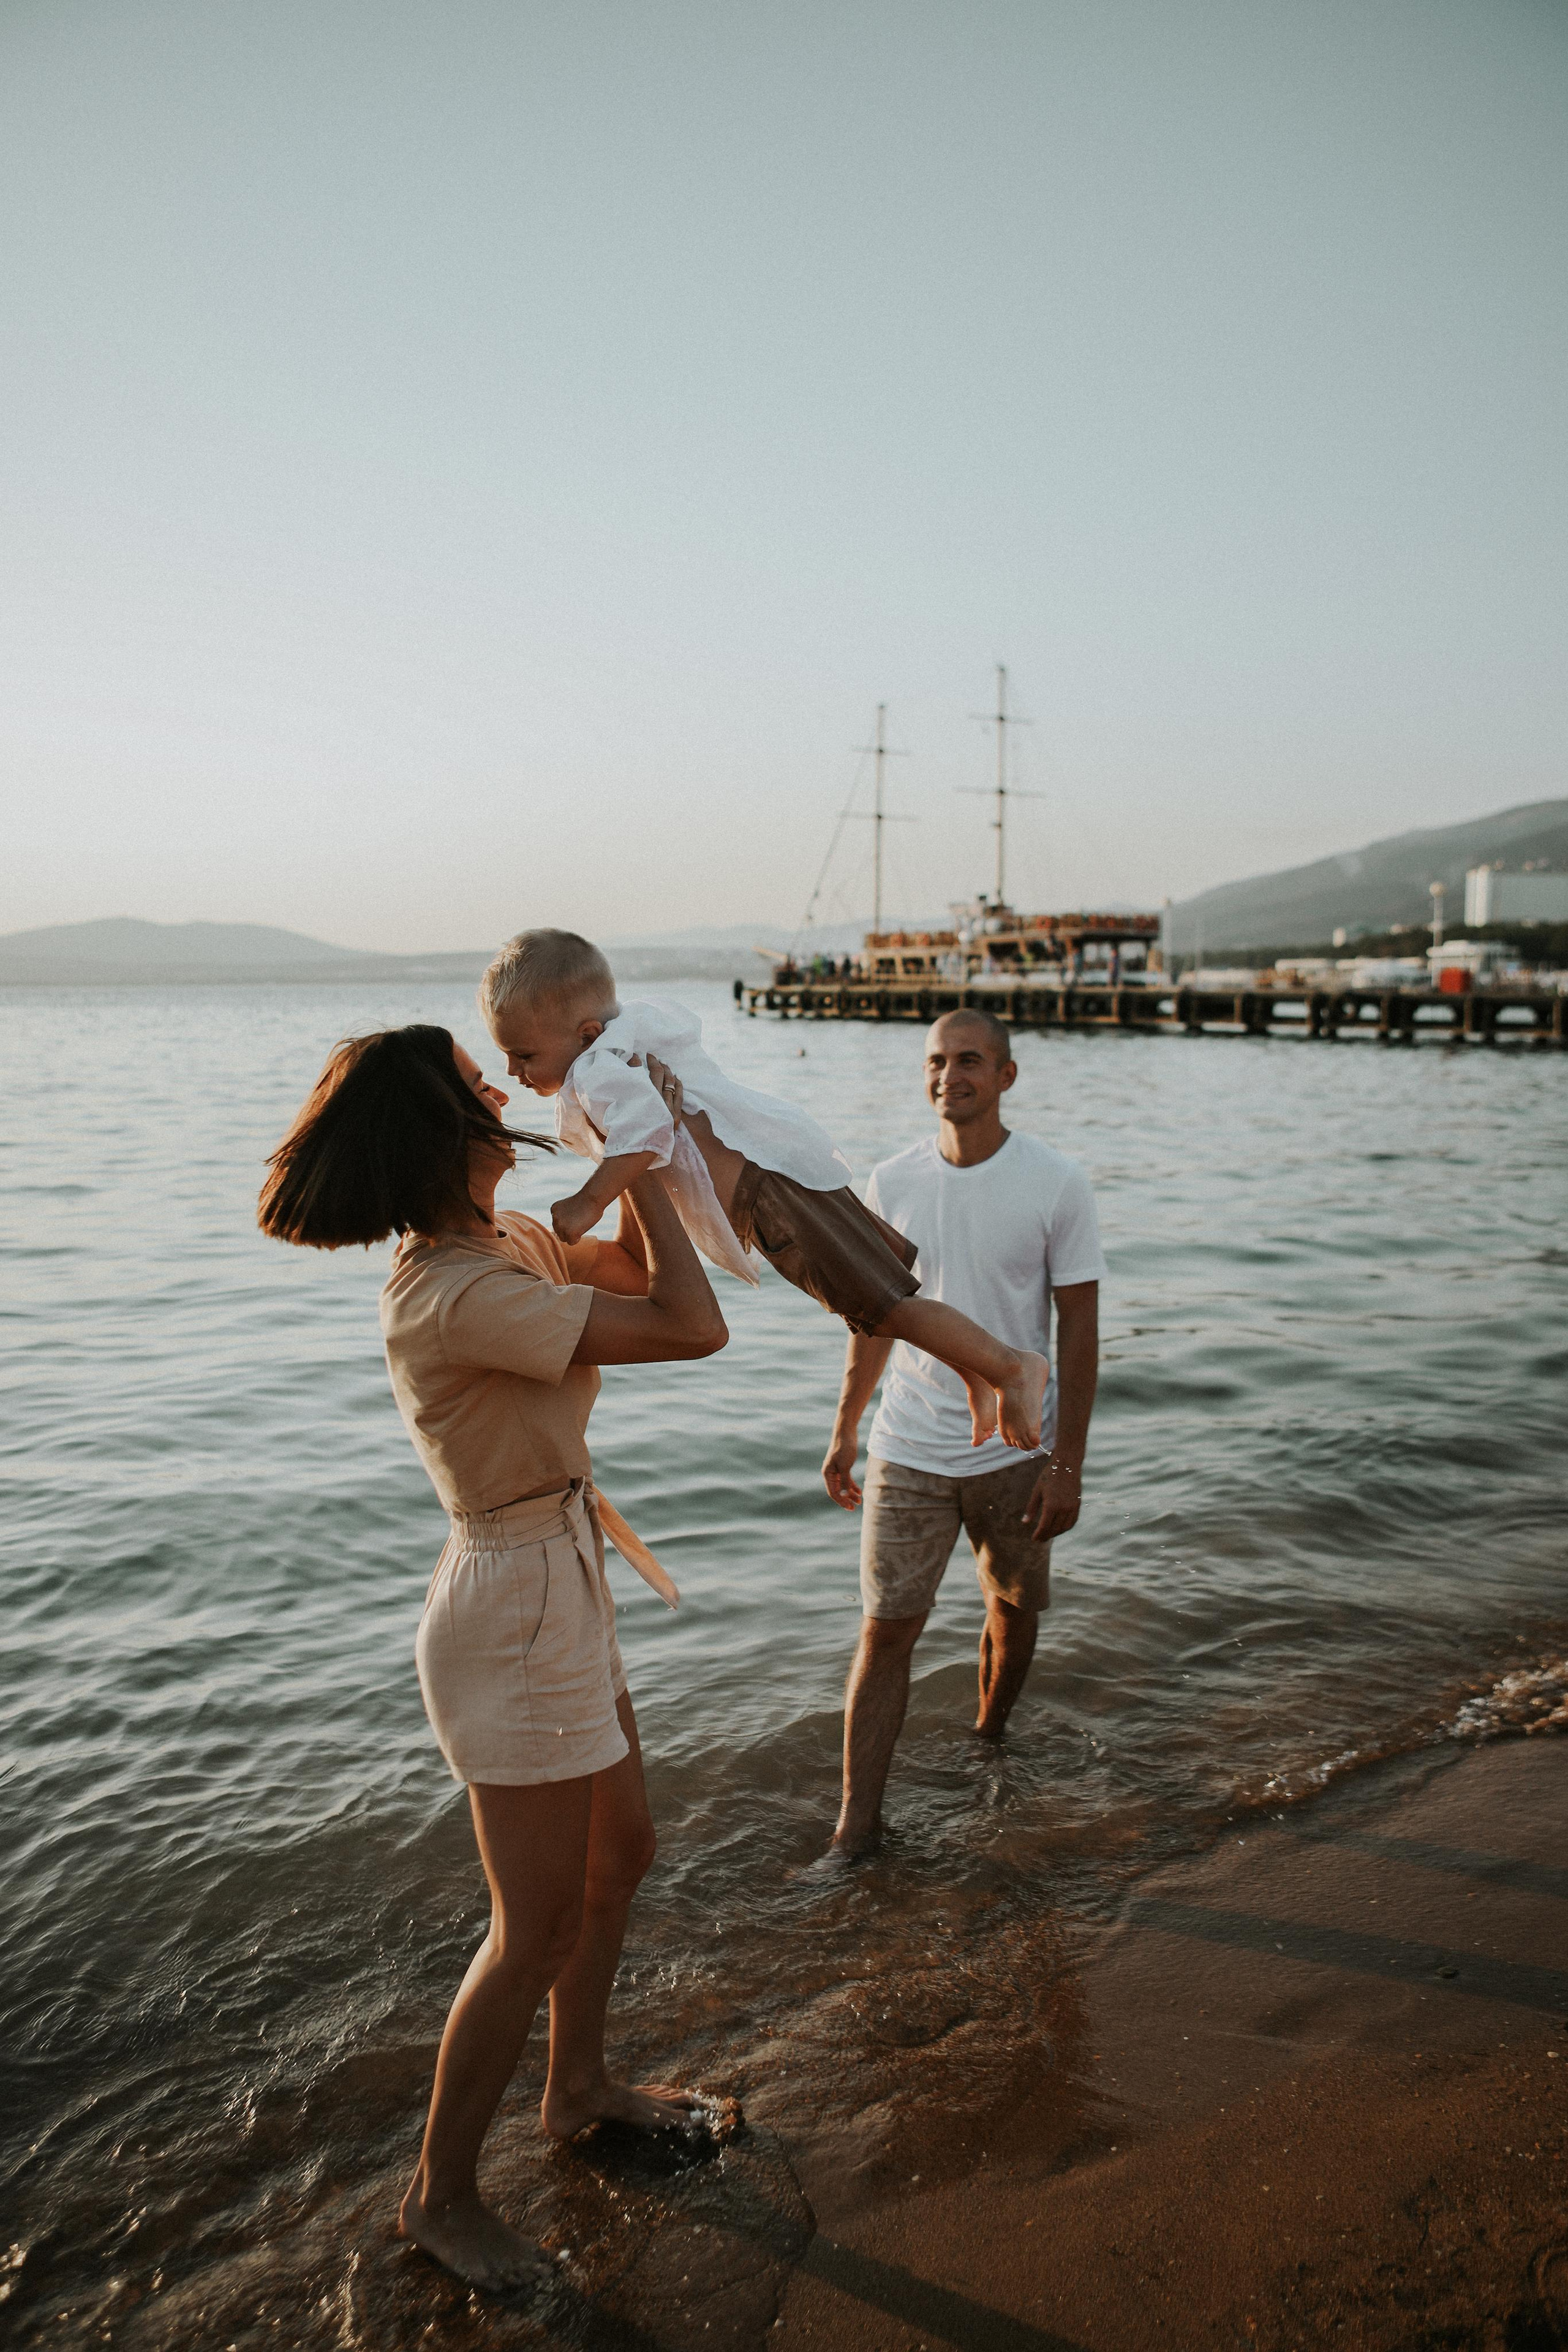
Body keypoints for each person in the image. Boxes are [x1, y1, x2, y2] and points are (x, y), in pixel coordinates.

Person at [257, 1023, 726, 2291]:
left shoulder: (499, 1247)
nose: (506, 1096)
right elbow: (693, 1325)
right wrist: (642, 1161)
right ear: (440, 1135)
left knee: (618, 1856)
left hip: (562, 1572)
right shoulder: (459, 1295)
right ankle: (437, 2197)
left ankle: (574, 2093)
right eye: (480, 1090)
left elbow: (626, 1271)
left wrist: (628, 1168)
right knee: (532, 1927)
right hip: (511, 1608)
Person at [480, 929, 1049, 1451]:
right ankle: (979, 1375)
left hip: (770, 1198)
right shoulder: (629, 1035)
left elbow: (648, 1130)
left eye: (523, 1055)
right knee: (881, 1304)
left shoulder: (598, 1067)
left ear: (584, 1035)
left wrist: (589, 1201)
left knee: (885, 1308)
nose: (511, 1071)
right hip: (783, 1169)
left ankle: (1010, 1367)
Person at [819, 1008, 1106, 1863]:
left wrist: (1066, 1462)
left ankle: (988, 1741)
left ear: (1007, 1076)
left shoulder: (1056, 1182)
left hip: (1017, 1450)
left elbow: (1079, 1332)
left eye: (971, 1062)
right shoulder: (891, 1181)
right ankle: (856, 1829)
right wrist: (844, 1430)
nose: (952, 1076)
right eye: (938, 1062)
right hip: (907, 1442)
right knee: (884, 1631)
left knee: (1012, 1613)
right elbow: (872, 1320)